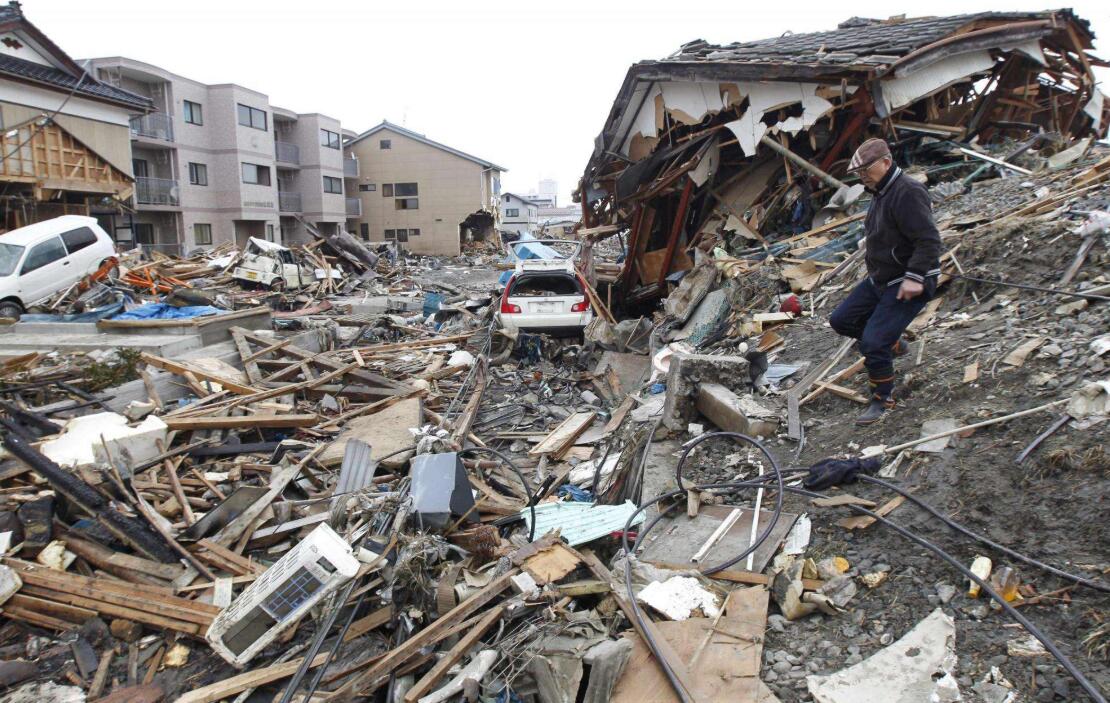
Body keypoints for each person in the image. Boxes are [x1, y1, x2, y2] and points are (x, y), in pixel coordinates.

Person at [829, 138, 942, 425]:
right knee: (841, 320)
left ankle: (883, 398)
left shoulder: (908, 192)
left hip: (908, 280)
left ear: (886, 162)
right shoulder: (881, 192)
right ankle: (893, 343)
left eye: (867, 168)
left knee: (873, 342)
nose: (863, 175)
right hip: (882, 278)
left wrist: (915, 276)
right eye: (859, 172)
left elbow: (929, 240)